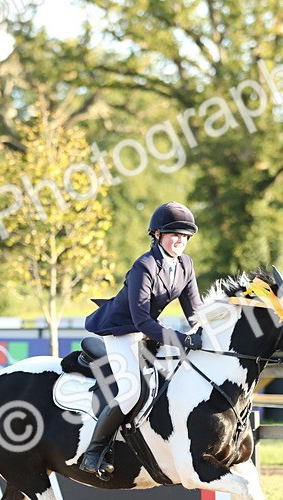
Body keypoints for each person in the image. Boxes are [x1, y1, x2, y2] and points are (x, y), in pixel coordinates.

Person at [78, 201, 204, 478]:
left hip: (149, 331)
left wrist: (207, 335)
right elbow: (141, 320)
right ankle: (93, 452)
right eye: (174, 234)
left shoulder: (185, 265)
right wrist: (179, 339)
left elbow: (195, 312)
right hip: (122, 330)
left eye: (185, 236)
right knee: (131, 391)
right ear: (157, 234)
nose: (180, 240)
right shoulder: (144, 266)